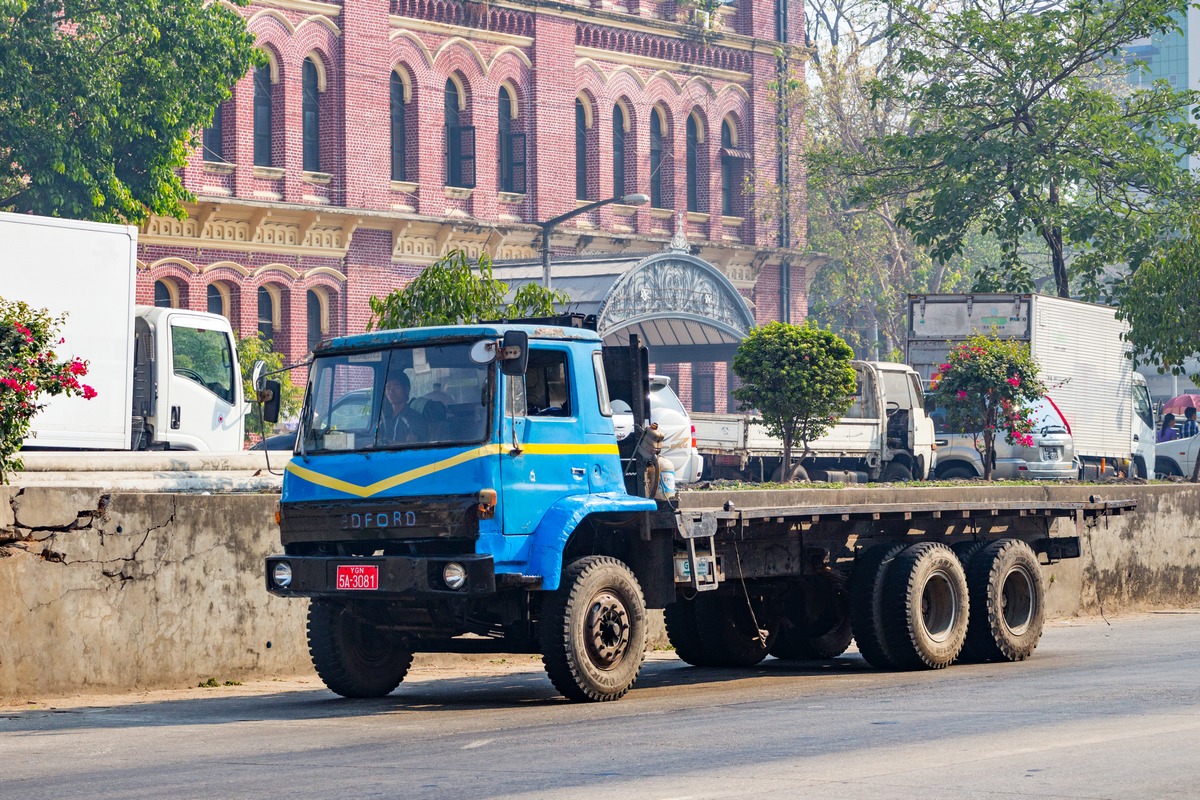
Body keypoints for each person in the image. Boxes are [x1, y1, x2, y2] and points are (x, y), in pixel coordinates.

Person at [378, 371, 422, 445]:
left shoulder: (415, 418)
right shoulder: (384, 416)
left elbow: (414, 445)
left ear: (406, 390)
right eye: (388, 388)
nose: (391, 392)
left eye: (396, 387)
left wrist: (387, 444)